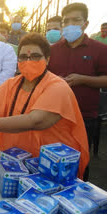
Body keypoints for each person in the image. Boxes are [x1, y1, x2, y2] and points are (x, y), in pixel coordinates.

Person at [0, 33, 90, 179]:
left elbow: (36, 120)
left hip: (53, 168)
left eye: (35, 56)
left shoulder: (58, 87)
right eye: (23, 57)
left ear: (47, 59)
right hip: (14, 162)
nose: (28, 61)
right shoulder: (11, 84)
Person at [48, 3, 107, 172]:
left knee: (79, 164)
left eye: (76, 20)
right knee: (52, 163)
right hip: (54, 115)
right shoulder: (53, 50)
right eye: (66, 21)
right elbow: (43, 76)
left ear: (85, 23)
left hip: (84, 117)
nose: (70, 25)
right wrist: (53, 80)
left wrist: (83, 79)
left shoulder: (100, 50)